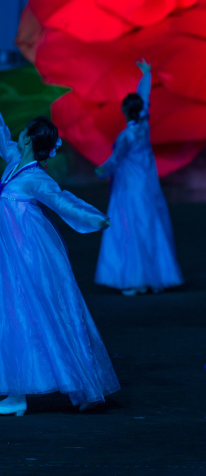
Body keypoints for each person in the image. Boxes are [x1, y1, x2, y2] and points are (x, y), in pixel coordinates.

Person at [0, 112, 120, 415]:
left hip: (29, 255)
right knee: (16, 315)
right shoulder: (15, 161)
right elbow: (3, 138)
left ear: (29, 138)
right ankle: (18, 389)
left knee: (38, 311)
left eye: (24, 131)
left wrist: (93, 217)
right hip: (11, 253)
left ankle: (28, 391)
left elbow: (62, 200)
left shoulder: (35, 177)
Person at [95, 59, 184, 296]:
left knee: (131, 227)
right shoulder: (144, 125)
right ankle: (153, 277)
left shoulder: (127, 135)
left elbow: (115, 159)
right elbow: (143, 98)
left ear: (125, 110)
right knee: (149, 225)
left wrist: (102, 169)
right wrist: (146, 74)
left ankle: (136, 280)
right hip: (145, 184)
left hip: (130, 188)